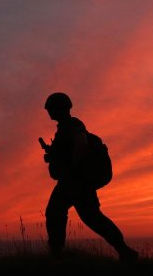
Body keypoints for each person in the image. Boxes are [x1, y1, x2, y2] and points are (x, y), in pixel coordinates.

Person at [41, 92, 138, 261]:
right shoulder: (64, 127)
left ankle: (56, 255)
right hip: (76, 180)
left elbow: (81, 144)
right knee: (90, 216)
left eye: (51, 108)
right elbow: (69, 150)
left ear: (59, 108)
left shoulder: (72, 124)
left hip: (75, 180)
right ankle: (124, 251)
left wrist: (71, 169)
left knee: (58, 212)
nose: (49, 111)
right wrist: (53, 155)